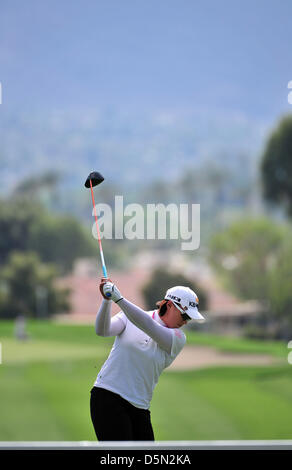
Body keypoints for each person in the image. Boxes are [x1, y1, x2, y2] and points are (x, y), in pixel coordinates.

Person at [90, 278, 205, 441]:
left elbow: (148, 326)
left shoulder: (178, 338)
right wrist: (107, 300)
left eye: (189, 318)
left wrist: (119, 299)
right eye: (185, 315)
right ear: (170, 305)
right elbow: (102, 330)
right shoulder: (129, 316)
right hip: (108, 395)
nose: (186, 321)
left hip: (140, 407)